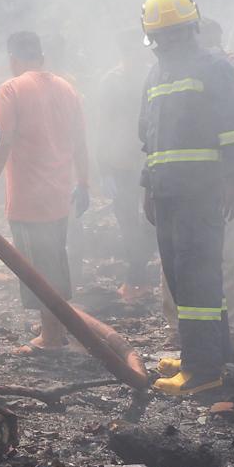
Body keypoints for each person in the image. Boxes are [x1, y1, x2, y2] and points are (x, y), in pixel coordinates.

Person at [138, 0, 234, 396]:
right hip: (167, 191)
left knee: (197, 276)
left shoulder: (213, 67)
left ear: (192, 29)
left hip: (200, 192)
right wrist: (148, 185)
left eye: (176, 33)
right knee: (180, 276)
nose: (168, 42)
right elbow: (148, 135)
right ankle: (205, 352)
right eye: (161, 36)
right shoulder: (157, 73)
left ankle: (203, 373)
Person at [0, 31, 89, 352]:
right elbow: (81, 141)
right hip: (59, 195)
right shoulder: (67, 88)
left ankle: (51, 337)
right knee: (54, 259)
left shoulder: (12, 89)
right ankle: (54, 328)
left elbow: (2, 143)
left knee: (38, 268)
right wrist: (83, 183)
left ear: (13, 58)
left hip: (28, 197)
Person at [160, 17, 234, 351]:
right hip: (179, 189)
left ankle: (229, 332)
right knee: (177, 261)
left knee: (225, 259)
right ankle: (179, 327)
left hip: (214, 187)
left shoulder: (225, 73)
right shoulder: (172, 74)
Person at [95, 29, 157, 303]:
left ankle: (139, 275)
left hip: (149, 161)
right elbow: (103, 125)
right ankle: (137, 278)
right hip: (120, 163)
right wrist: (104, 168)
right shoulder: (111, 81)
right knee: (128, 222)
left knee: (151, 221)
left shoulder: (153, 75)